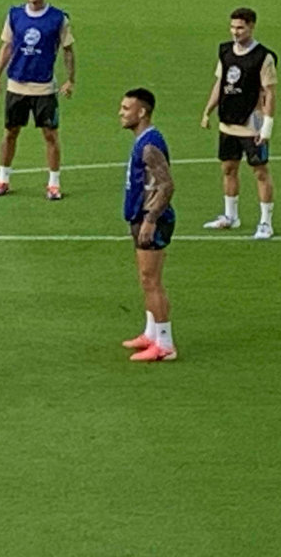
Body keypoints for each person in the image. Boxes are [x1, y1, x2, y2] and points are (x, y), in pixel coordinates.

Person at [0, 0, 76, 200]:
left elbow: (68, 50)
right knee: (10, 133)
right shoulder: (15, 15)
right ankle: (3, 179)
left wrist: (70, 79)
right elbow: (6, 47)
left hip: (44, 87)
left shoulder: (58, 18)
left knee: (50, 134)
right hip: (16, 84)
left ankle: (54, 183)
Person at [200, 7, 277, 239]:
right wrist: (207, 111)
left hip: (251, 123)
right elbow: (220, 82)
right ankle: (230, 216)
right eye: (233, 27)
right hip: (228, 121)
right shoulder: (225, 51)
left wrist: (267, 126)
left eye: (240, 27)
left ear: (251, 26)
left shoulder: (263, 57)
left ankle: (266, 222)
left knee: (260, 171)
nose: (235, 32)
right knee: (228, 168)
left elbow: (270, 93)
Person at [118, 89, 177, 362]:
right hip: (139, 217)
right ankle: (151, 332)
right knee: (147, 280)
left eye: (127, 108)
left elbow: (166, 185)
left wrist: (150, 219)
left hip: (150, 220)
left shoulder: (150, 145)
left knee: (151, 281)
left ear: (142, 112)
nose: (121, 112)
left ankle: (164, 344)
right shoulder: (143, 140)